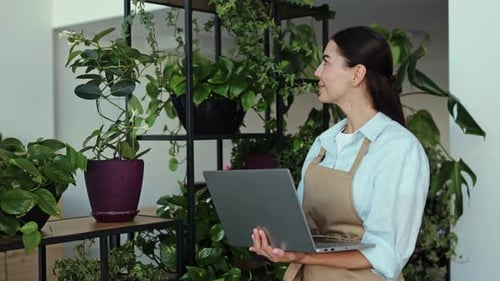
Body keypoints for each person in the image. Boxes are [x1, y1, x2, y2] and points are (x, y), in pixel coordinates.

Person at [249, 26, 430, 281]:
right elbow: (300, 226)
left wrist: (302, 257)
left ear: (357, 74)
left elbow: (386, 255)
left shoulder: (398, 149)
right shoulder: (325, 142)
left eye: (326, 62)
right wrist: (274, 239)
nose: (317, 72)